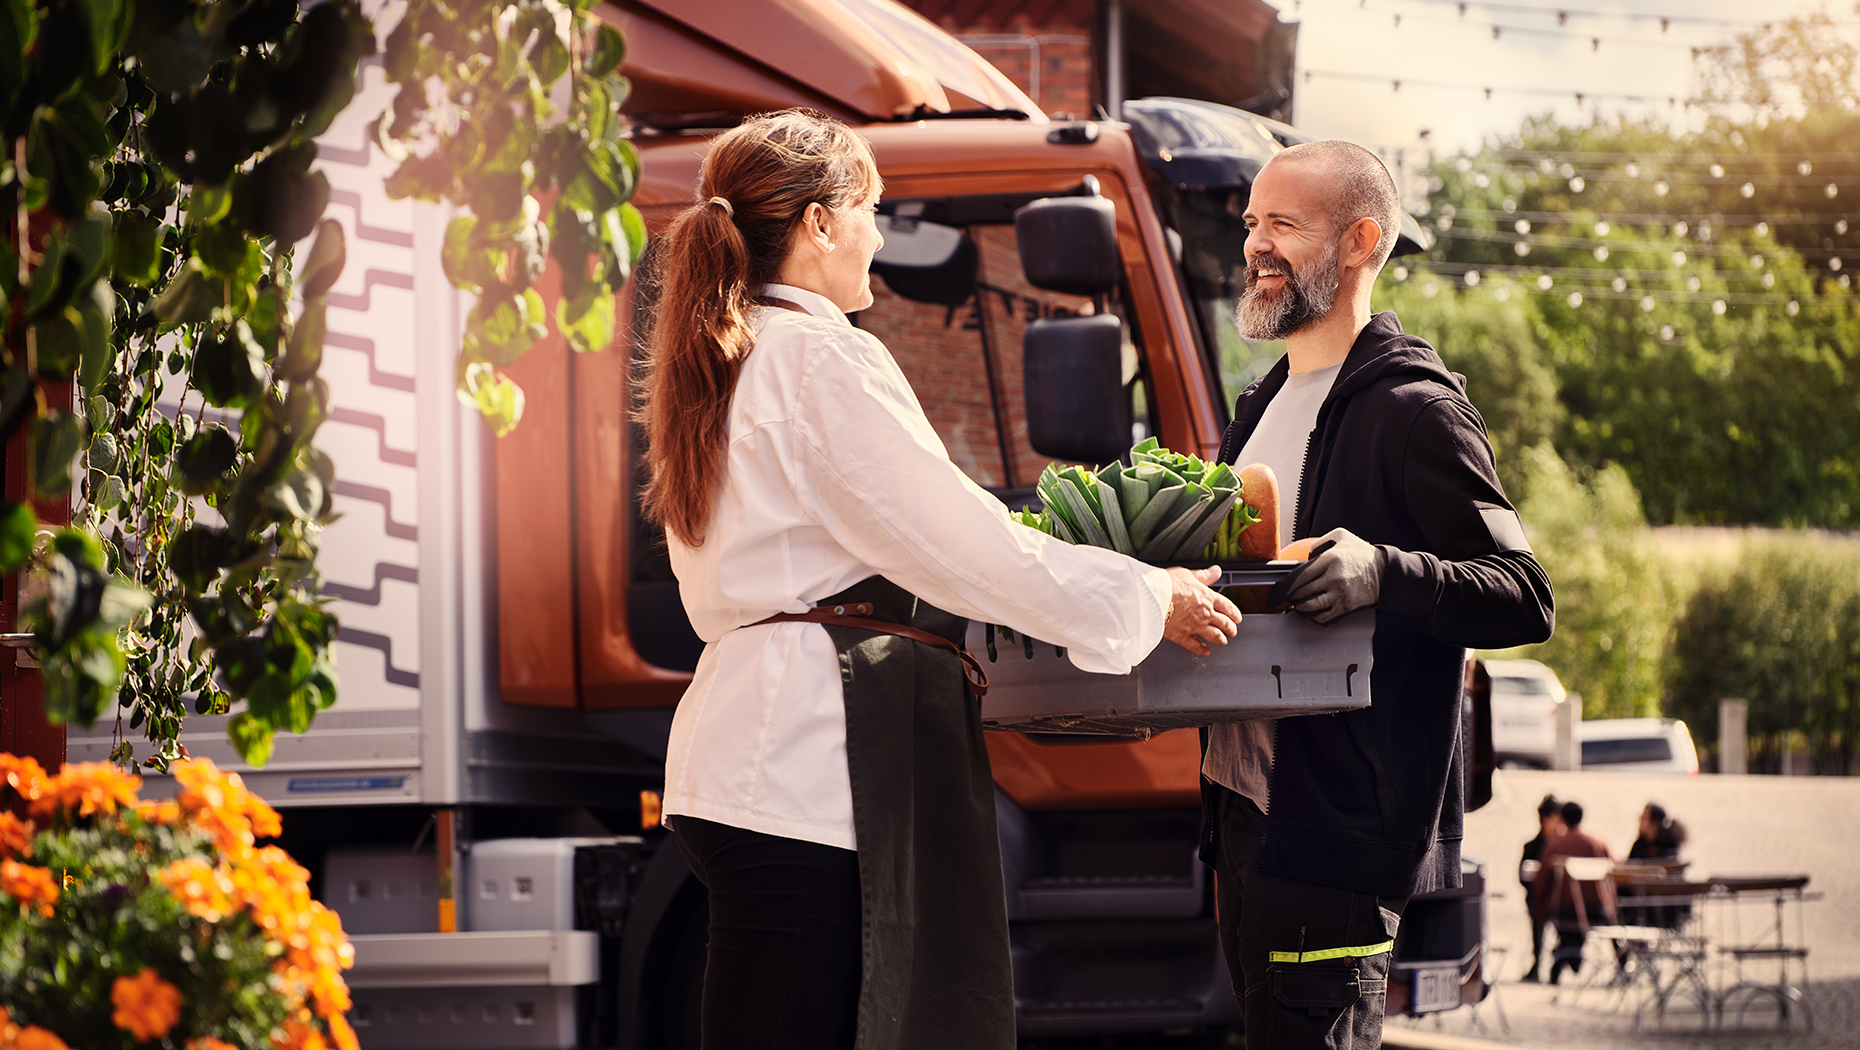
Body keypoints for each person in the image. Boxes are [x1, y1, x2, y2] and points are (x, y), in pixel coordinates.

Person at [638, 110, 1242, 1050]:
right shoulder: (817, 355)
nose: (879, 233)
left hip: (753, 753)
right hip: (805, 767)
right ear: (819, 224)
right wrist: (1144, 595)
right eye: (873, 209)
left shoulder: (730, 356)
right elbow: (961, 543)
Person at [1197, 139, 1556, 1048]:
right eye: (1251, 224)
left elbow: (1524, 595)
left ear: (1360, 240)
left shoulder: (1416, 410)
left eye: (1284, 224)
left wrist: (1383, 570)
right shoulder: (1262, 405)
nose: (1256, 247)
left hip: (1337, 831)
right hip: (1243, 814)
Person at [1531, 800, 1614, 984]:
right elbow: (1614, 875)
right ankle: (1622, 963)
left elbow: (1541, 882)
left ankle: (1565, 958)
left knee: (1566, 930)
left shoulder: (1555, 846)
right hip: (1598, 910)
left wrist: (1542, 907)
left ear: (1562, 819)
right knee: (1607, 918)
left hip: (1564, 910)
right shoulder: (1598, 844)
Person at [1518, 794, 1565, 982]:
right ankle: (1537, 965)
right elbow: (1522, 877)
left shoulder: (1566, 845)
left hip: (1563, 899)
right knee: (1536, 914)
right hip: (1539, 899)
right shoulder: (1532, 846)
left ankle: (1558, 966)